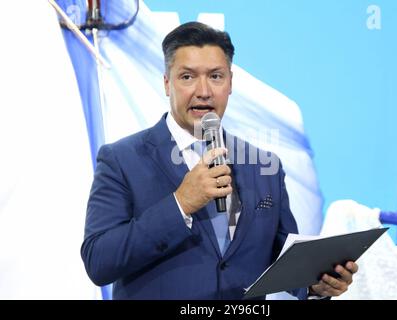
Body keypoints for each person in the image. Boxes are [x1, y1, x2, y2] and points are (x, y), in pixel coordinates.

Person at [81, 21, 358, 299]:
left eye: (215, 76)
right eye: (187, 77)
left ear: (230, 83)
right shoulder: (121, 159)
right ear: (167, 83)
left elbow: (284, 260)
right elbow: (99, 261)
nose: (204, 91)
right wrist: (181, 204)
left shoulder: (264, 167)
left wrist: (315, 283)